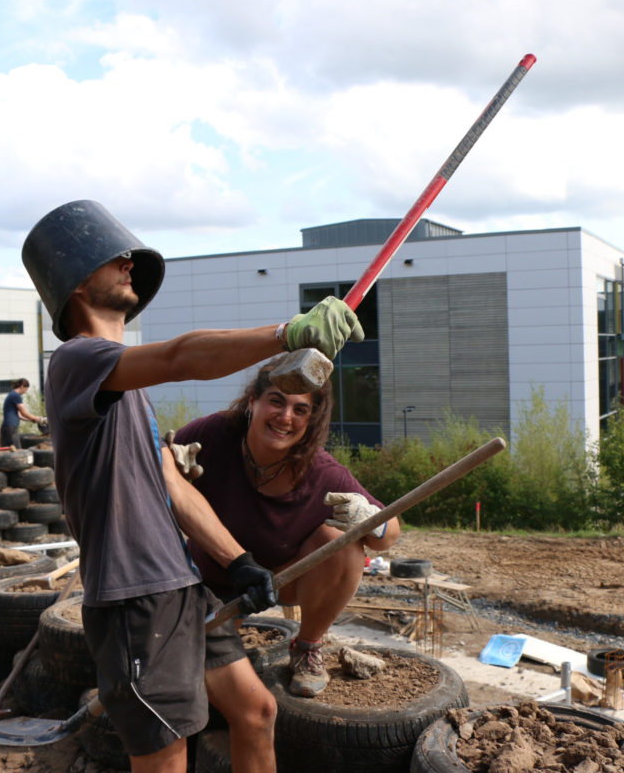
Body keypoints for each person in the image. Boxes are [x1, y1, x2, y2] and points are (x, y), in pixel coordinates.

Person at [22, 199, 363, 773]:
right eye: (115, 258)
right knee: (166, 759)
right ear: (76, 283)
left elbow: (173, 488)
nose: (130, 263)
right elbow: (183, 355)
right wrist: (288, 333)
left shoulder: (126, 387)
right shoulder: (77, 362)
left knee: (255, 712)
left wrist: (239, 563)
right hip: (134, 599)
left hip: (180, 588)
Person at [171, 357, 399, 697]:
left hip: (281, 580)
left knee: (344, 540)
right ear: (253, 401)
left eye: (300, 409)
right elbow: (151, 465)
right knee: (186, 679)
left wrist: (369, 519)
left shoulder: (322, 472)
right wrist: (166, 465)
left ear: (311, 420)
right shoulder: (212, 435)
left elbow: (389, 534)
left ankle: (307, 647)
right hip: (209, 581)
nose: (285, 417)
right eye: (276, 401)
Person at [0, 378, 43, 448]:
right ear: (22, 386)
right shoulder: (16, 396)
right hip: (11, 428)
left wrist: (31, 420)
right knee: (18, 451)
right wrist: (39, 419)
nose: (25, 392)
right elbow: (24, 413)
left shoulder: (11, 394)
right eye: (26, 389)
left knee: (6, 450)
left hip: (7, 427)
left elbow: (19, 415)